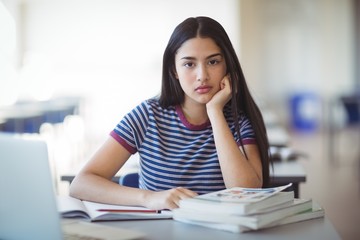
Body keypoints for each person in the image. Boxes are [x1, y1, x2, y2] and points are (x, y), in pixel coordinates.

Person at [70, 16, 271, 210]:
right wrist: (148, 198)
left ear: (227, 64)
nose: (202, 76)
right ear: (174, 70)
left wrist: (215, 111)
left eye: (213, 62)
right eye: (189, 64)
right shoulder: (147, 116)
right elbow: (81, 184)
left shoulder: (239, 121)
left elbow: (246, 192)